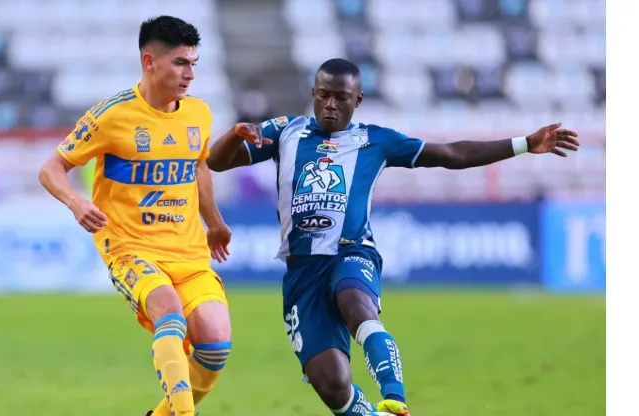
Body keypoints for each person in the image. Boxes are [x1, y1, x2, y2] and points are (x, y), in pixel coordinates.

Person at [206, 58, 580, 416]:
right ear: (313, 92)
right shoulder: (286, 131)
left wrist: (524, 143)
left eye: (341, 97)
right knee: (331, 384)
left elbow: (451, 153)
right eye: (323, 94)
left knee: (356, 303)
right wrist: (235, 134)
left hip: (350, 252)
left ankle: (394, 398)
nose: (330, 105)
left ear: (358, 101)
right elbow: (217, 162)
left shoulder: (376, 141)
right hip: (302, 270)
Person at [38, 16, 234, 416]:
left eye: (194, 63)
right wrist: (77, 203)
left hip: (188, 249)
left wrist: (214, 222)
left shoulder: (198, 114)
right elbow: (51, 168)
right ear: (149, 61)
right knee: (169, 311)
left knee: (215, 343)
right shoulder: (112, 115)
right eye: (181, 63)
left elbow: (198, 168)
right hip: (129, 247)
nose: (190, 74)